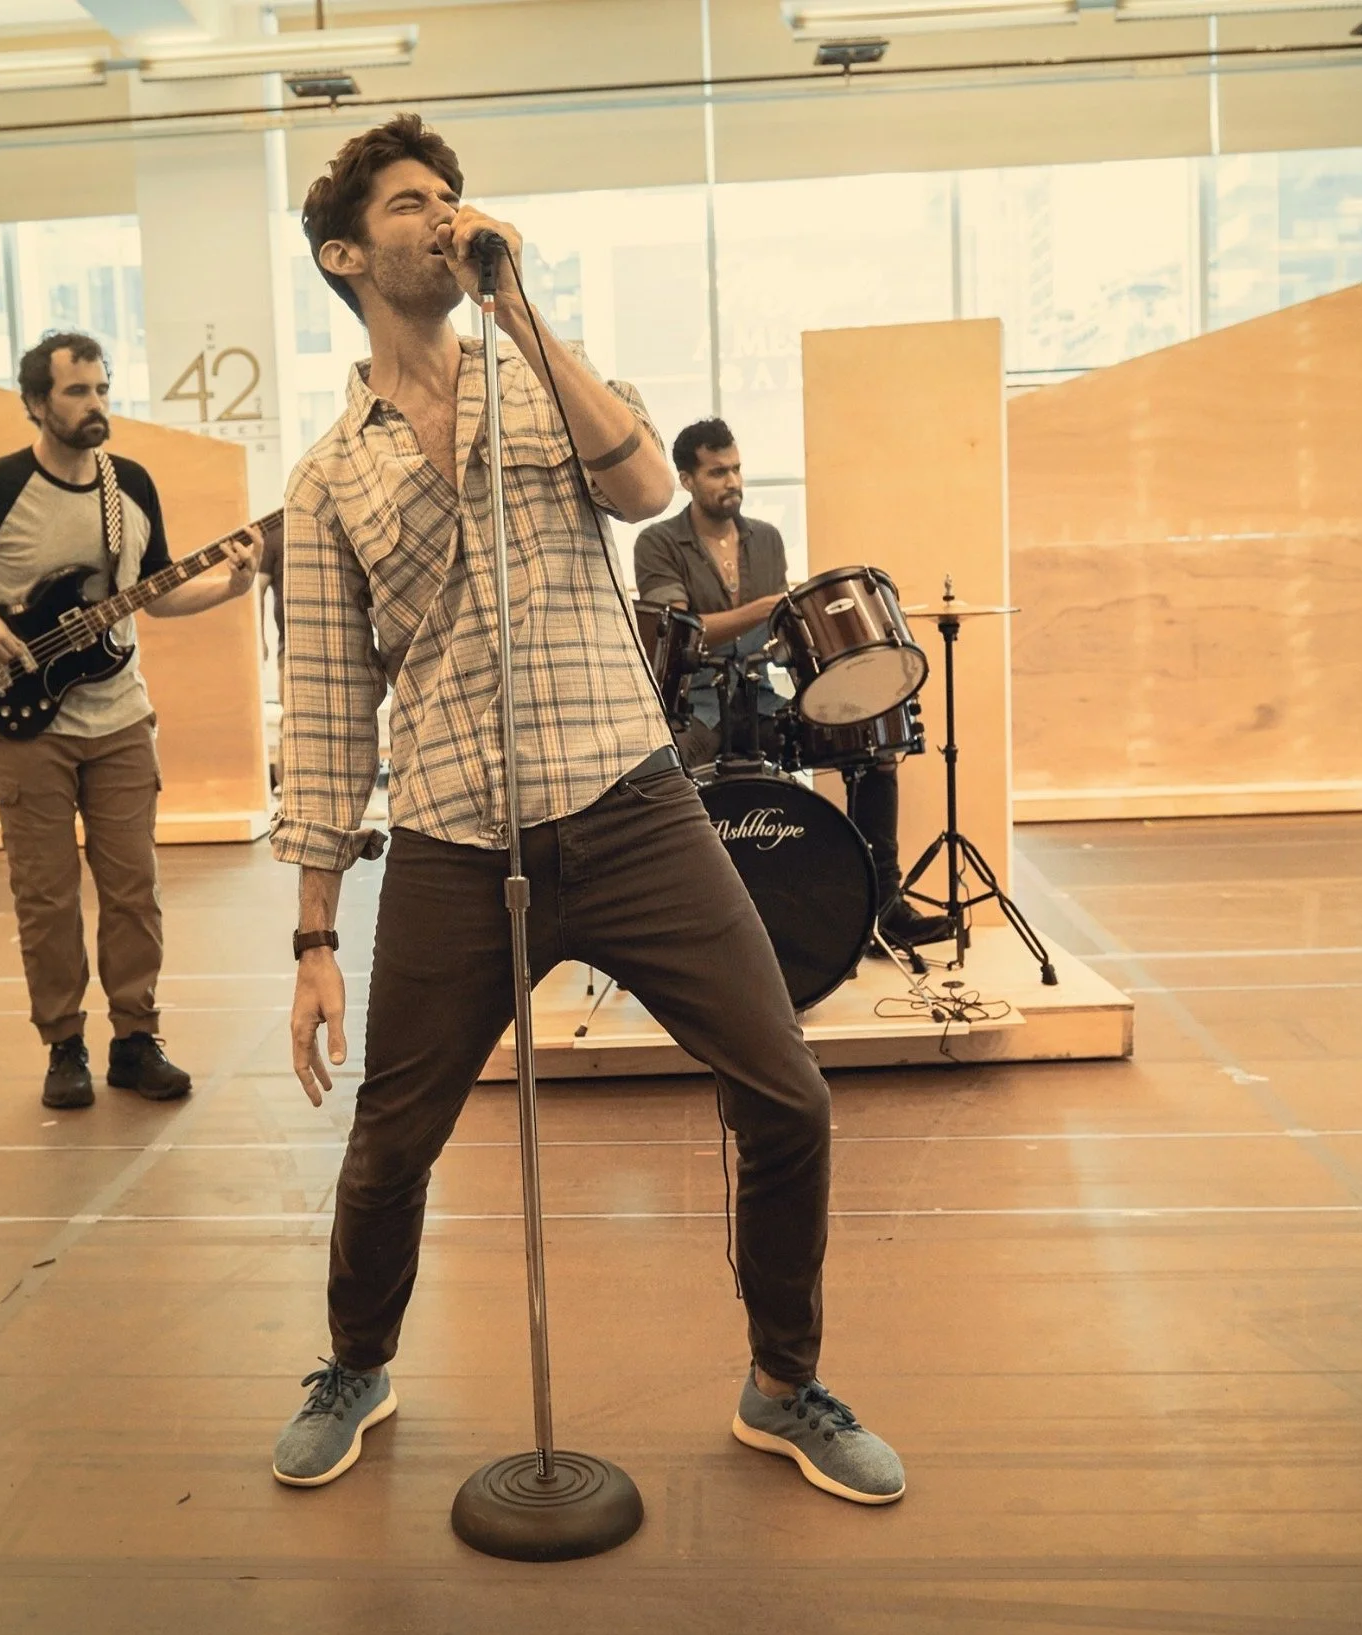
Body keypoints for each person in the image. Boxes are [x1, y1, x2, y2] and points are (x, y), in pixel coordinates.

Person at [268, 115, 904, 1505]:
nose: (443, 217)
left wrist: (519, 302)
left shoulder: (535, 373)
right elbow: (322, 713)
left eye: (453, 199)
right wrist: (313, 934)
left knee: (787, 1094)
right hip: (448, 834)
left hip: (626, 799)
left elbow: (641, 481)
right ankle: (356, 1361)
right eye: (412, 203)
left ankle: (784, 1384)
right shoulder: (326, 479)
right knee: (392, 1140)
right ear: (345, 251)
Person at [0, 331, 257, 1110]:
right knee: (47, 893)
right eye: (77, 392)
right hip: (23, 720)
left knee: (134, 888)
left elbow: (154, 595)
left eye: (102, 389)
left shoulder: (128, 484)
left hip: (121, 717)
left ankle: (136, 1038)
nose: (96, 403)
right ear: (37, 402)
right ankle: (63, 1044)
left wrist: (231, 589)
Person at [633, 419, 951, 947]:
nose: (731, 481)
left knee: (873, 749)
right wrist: (766, 608)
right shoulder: (659, 542)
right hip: (699, 708)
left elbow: (781, 639)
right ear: (686, 480)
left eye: (736, 468)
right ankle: (670, 930)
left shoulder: (767, 539)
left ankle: (884, 908)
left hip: (762, 698)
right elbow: (684, 636)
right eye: (717, 472)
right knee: (659, 780)